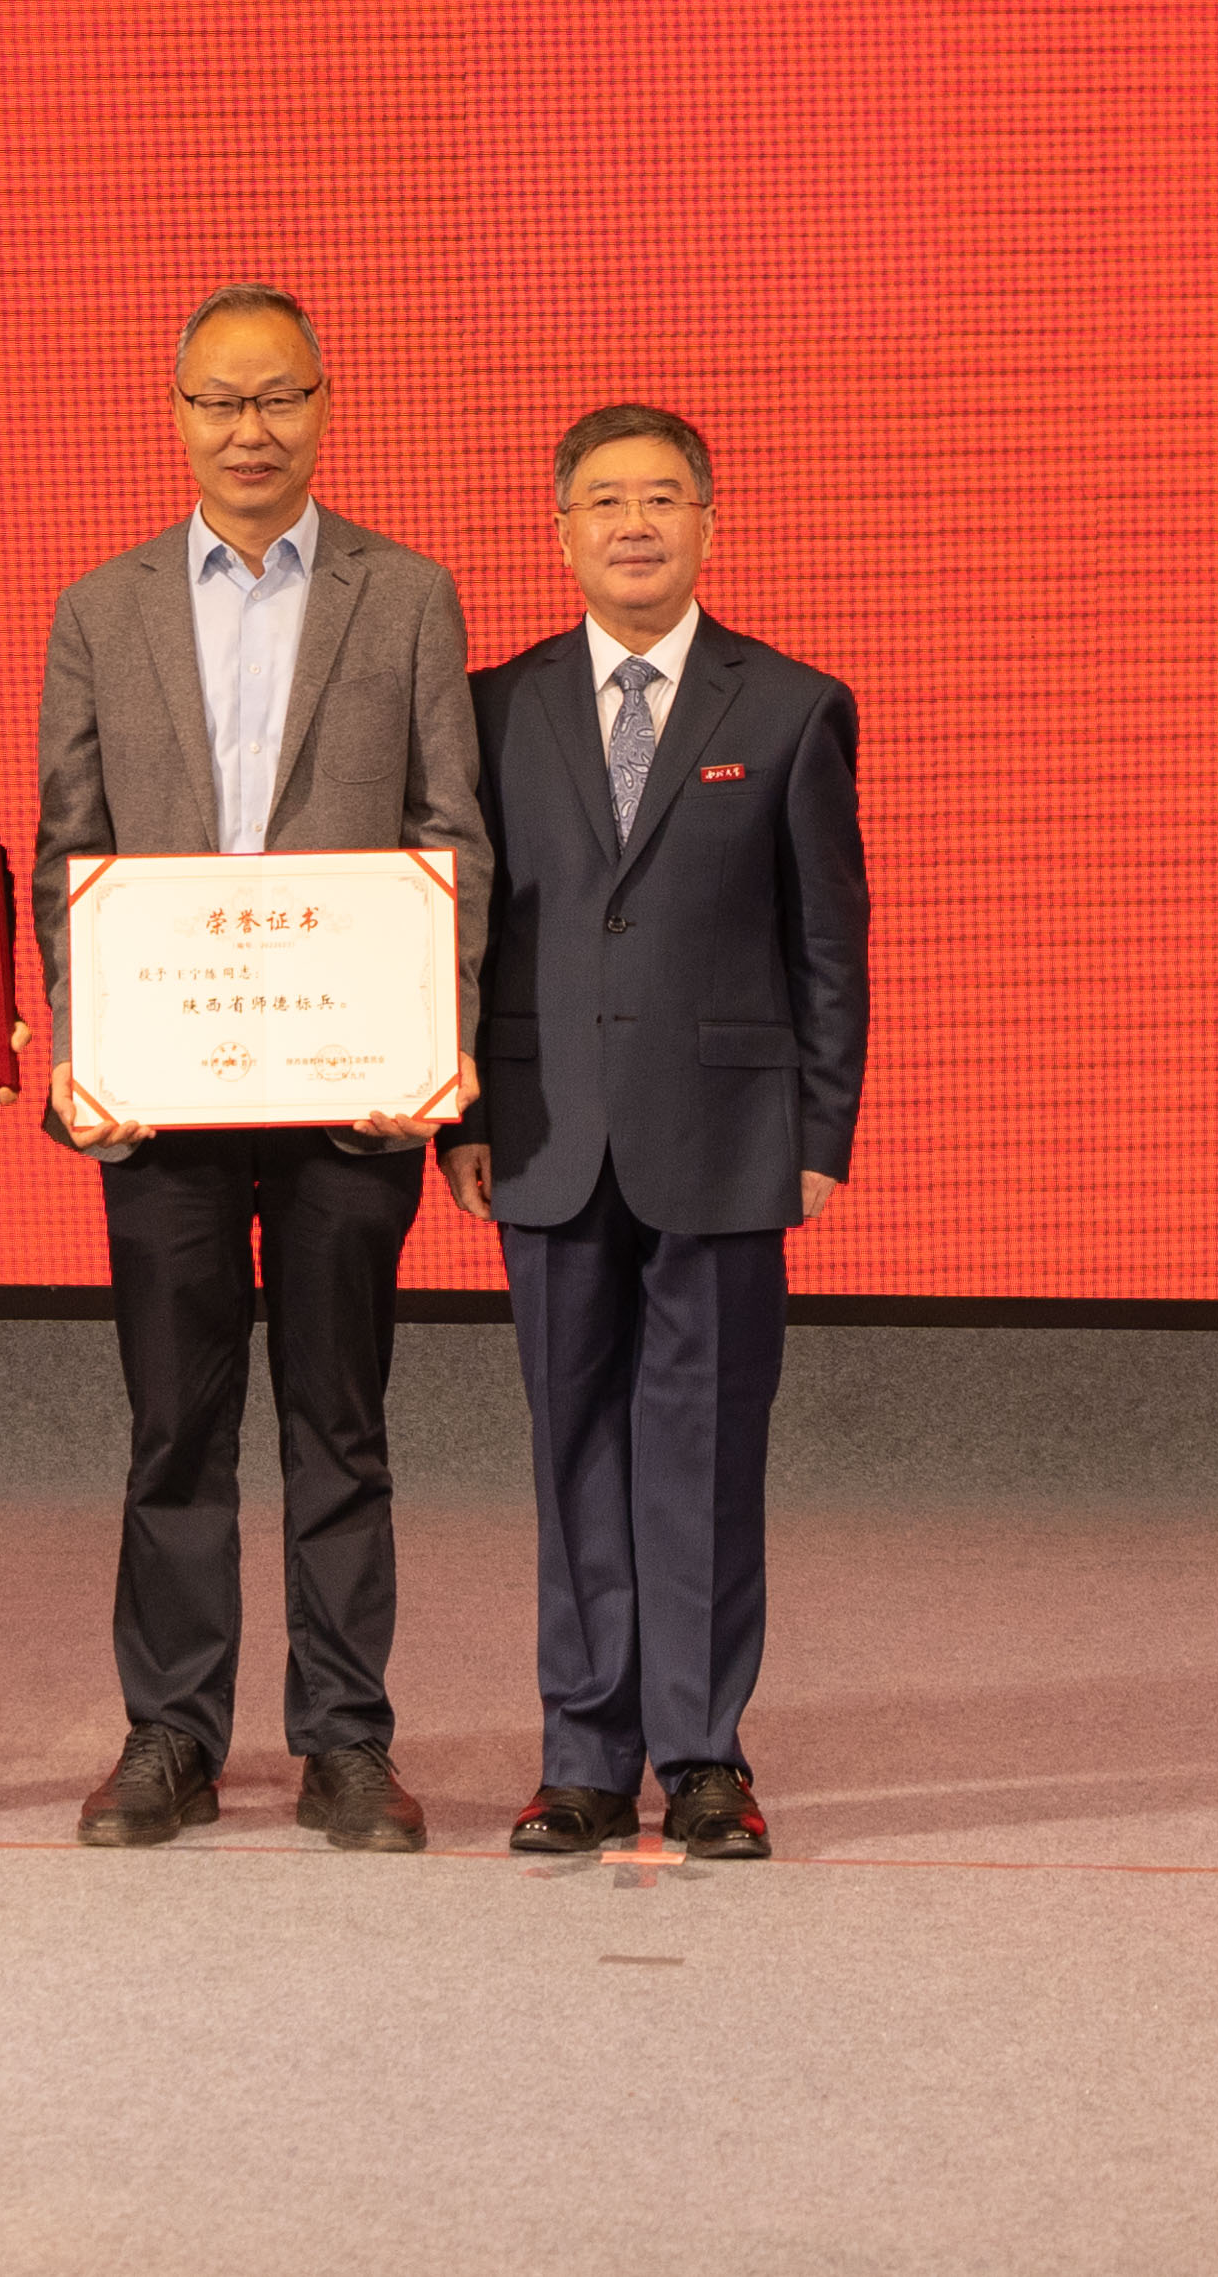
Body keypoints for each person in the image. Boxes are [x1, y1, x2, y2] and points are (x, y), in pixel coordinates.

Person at [30, 282, 489, 1850]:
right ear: (175, 417)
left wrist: (428, 1045)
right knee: (173, 1425)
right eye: (219, 400)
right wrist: (88, 1047)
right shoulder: (99, 610)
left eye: (278, 396)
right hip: (164, 1100)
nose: (249, 429)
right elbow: (68, 855)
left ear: (324, 406)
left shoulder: (403, 595)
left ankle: (345, 1740)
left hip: (349, 1095)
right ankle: (170, 1733)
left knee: (337, 1425)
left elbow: (449, 833)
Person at [449, 402, 867, 1861]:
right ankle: (581, 1758)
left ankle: (701, 1759)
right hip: (544, 1131)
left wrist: (822, 1125)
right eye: (605, 500)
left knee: (704, 1454)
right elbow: (467, 931)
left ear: (707, 522)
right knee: (572, 1448)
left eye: (663, 498)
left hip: (729, 1133)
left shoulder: (791, 706)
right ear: (560, 531)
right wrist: (463, 1111)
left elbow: (828, 942)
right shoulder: (492, 707)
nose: (634, 524)